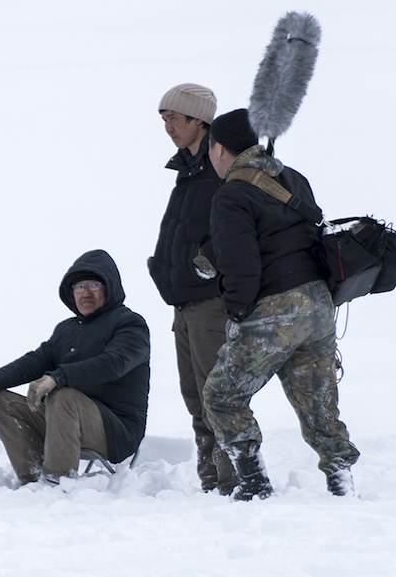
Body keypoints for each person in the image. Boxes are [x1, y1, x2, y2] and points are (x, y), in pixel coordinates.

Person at [202, 108, 360, 500]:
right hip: (320, 308)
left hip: (274, 310)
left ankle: (254, 486)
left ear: (221, 148)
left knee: (222, 396)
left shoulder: (232, 194)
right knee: (319, 401)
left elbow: (241, 267)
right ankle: (342, 484)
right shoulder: (293, 178)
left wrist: (238, 313)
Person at [0, 249, 150, 485]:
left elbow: (113, 363)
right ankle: (32, 482)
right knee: (2, 400)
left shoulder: (131, 324)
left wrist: (57, 377)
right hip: (63, 419)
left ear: (110, 287)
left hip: (115, 429)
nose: (86, 293)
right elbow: (33, 361)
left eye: (94, 285)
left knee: (63, 395)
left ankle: (56, 483)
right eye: (79, 287)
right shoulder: (66, 330)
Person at [148, 83, 238, 495]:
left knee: (217, 399)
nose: (168, 126)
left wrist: (202, 267)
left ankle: (232, 482)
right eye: (164, 118)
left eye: (174, 118)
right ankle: (211, 483)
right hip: (183, 303)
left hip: (210, 304)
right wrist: (162, 268)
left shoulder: (220, 165)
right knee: (195, 401)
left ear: (198, 120)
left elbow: (234, 226)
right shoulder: (187, 170)